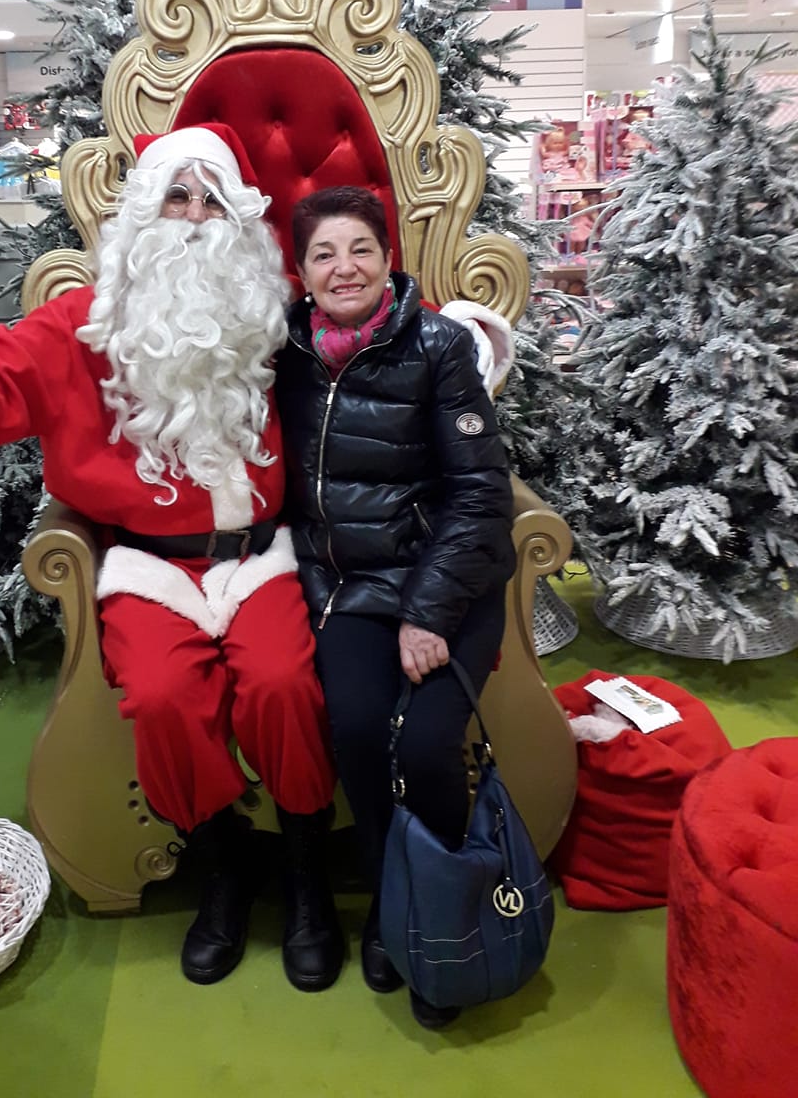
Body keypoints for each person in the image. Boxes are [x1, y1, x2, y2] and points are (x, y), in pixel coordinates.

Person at [0, 123, 343, 993]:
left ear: (238, 220)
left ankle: (306, 877)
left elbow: (367, 343)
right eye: (176, 197)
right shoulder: (86, 320)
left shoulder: (271, 313)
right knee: (159, 694)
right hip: (149, 568)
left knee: (282, 683)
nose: (194, 217)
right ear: (144, 212)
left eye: (212, 200)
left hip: (259, 558)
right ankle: (224, 865)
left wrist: (459, 345)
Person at [274, 185, 517, 1030]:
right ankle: (391, 900)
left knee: (422, 741)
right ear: (301, 272)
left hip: (446, 583)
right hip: (346, 587)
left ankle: (439, 920)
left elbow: (482, 496)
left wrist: (427, 612)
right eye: (323, 254)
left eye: (360, 250)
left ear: (388, 258)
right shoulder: (284, 350)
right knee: (354, 726)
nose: (344, 268)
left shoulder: (440, 345)